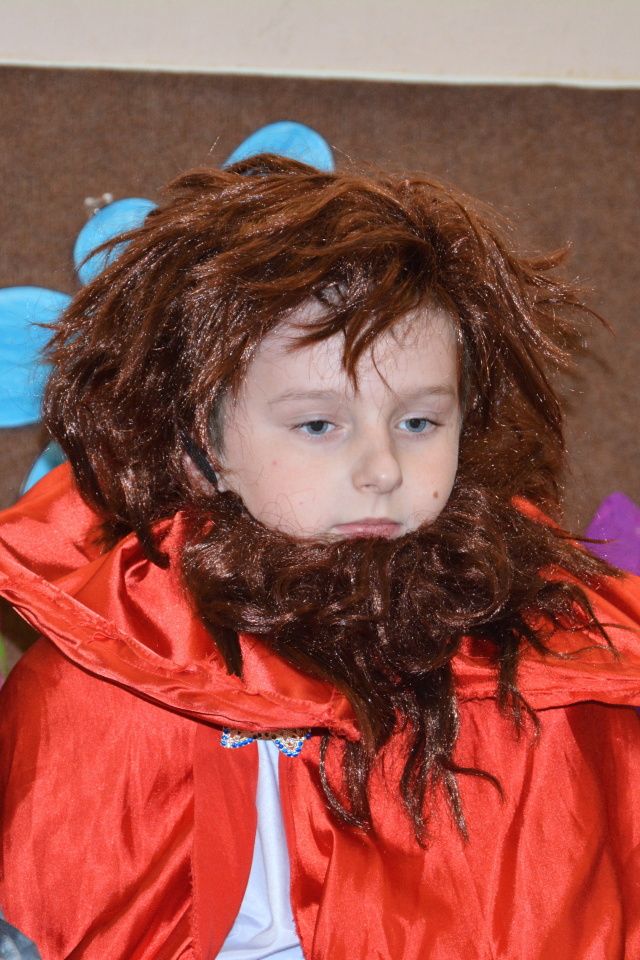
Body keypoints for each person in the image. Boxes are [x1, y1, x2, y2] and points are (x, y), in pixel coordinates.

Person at [1, 155, 640, 960]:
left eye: (418, 423)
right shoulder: (117, 661)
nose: (382, 470)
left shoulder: (545, 663)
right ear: (202, 446)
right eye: (318, 425)